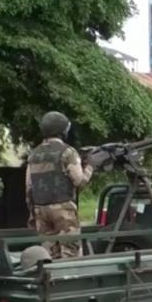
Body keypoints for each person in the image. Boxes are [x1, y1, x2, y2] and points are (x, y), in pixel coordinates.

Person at [26, 111, 99, 258]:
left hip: (40, 209)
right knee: (70, 254)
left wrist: (32, 213)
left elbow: (29, 187)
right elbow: (79, 181)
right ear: (63, 130)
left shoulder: (33, 154)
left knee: (48, 255)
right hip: (63, 210)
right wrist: (90, 166)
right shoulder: (68, 152)